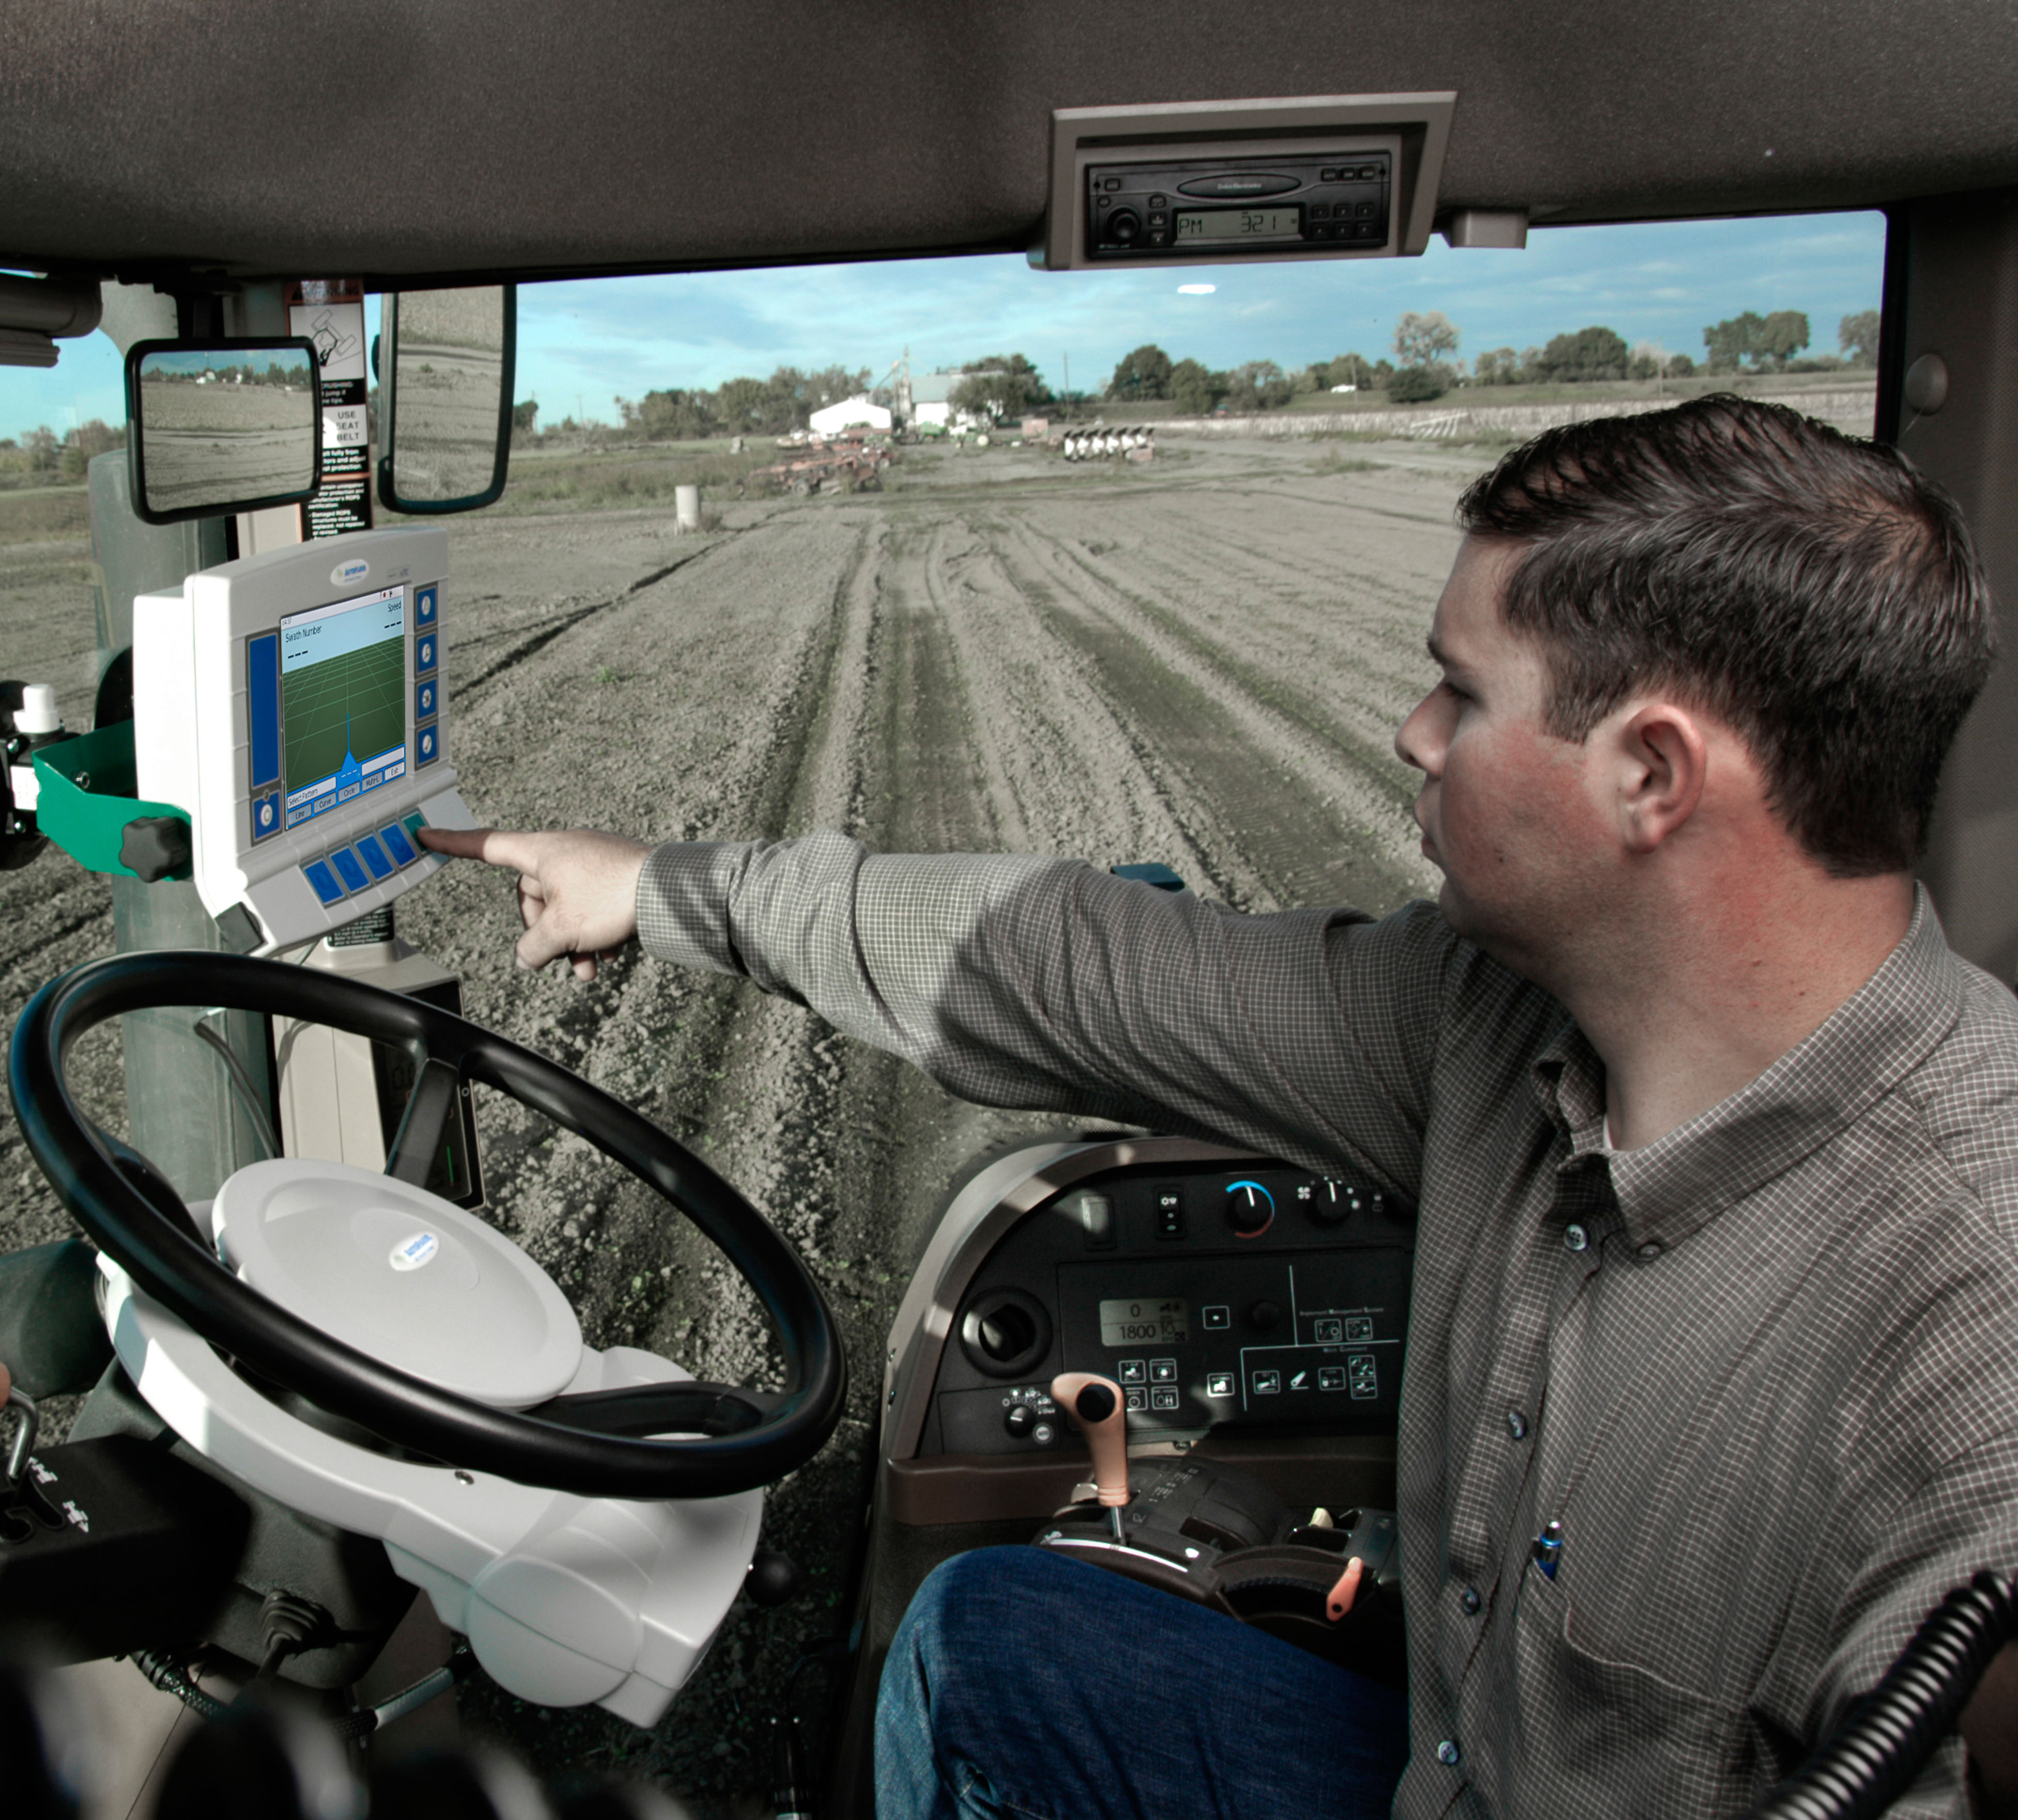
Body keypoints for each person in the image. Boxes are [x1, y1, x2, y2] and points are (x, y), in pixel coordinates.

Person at [419, 393, 2018, 1820]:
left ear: (1651, 775)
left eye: (1459, 694)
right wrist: (662, 885)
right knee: (986, 1634)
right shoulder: (1477, 1023)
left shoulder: (1971, 1333)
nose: (1410, 732)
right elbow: (1072, 967)